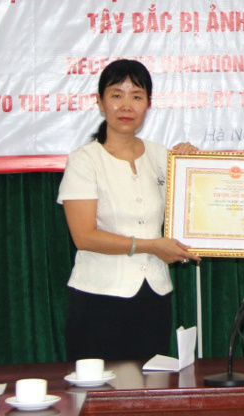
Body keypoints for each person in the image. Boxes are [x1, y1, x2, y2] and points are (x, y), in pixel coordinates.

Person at [57, 59, 200, 361]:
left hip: (154, 297)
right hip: (97, 299)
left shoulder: (163, 155)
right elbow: (84, 237)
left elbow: (194, 210)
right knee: (97, 398)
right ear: (100, 102)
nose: (126, 105)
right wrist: (152, 246)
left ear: (149, 104)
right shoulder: (84, 160)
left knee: (149, 395)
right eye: (116, 95)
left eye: (136, 96)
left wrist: (195, 167)